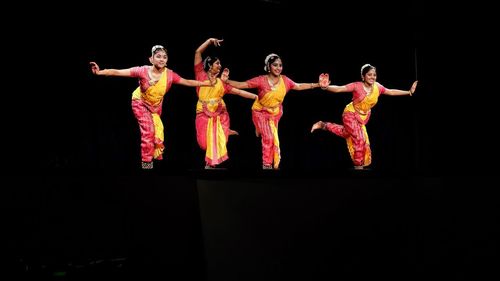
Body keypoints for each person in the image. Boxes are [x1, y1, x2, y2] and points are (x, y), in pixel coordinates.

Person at [89, 45, 212, 170]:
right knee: (149, 129)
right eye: (158, 56)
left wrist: (205, 83)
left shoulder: (170, 75)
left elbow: (187, 81)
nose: (161, 59)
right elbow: (117, 72)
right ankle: (146, 163)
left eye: (164, 57)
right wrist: (100, 72)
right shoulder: (142, 71)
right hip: (140, 103)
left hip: (155, 107)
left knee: (156, 132)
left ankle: (150, 160)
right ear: (151, 59)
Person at [311, 64, 418, 170]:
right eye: (369, 74)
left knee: (346, 133)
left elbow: (390, 92)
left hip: (362, 117)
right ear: (363, 76)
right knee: (359, 139)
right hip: (350, 114)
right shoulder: (357, 86)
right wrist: (325, 87)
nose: (372, 77)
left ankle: (323, 125)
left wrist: (408, 92)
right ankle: (358, 166)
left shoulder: (378, 87)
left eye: (374, 75)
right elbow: (340, 89)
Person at [223, 53, 320, 170]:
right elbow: (241, 84)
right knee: (268, 137)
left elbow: (299, 86)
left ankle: (260, 129)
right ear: (269, 66)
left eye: (280, 65)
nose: (278, 68)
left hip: (275, 113)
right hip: (260, 112)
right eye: (275, 65)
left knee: (272, 138)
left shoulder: (285, 81)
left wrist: (318, 84)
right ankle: (267, 165)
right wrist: (225, 81)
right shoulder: (260, 80)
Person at [194, 38, 258, 169]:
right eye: (217, 63)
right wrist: (209, 41)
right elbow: (197, 52)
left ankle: (211, 163)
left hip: (219, 114)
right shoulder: (200, 75)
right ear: (210, 65)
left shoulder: (221, 83)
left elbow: (239, 92)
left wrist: (256, 97)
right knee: (203, 143)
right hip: (203, 113)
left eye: (220, 63)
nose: (220, 65)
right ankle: (223, 132)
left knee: (217, 140)